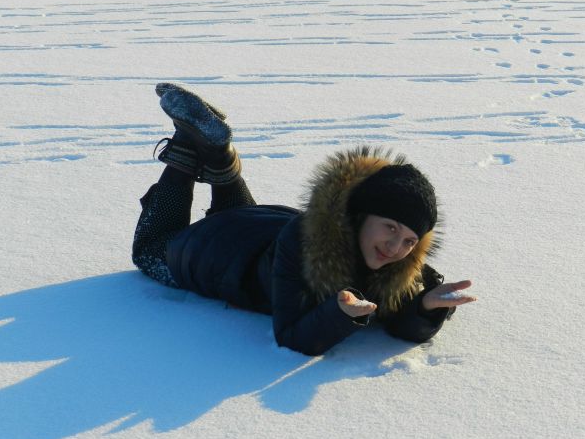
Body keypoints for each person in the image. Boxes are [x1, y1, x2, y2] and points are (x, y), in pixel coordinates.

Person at [132, 83, 476, 356]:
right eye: (390, 227)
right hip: (213, 252)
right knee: (149, 251)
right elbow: (292, 337)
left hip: (256, 227)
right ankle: (182, 152)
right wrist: (340, 315)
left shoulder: (401, 262)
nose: (395, 246)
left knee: (233, 217)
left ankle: (217, 150)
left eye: (409, 240)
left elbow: (400, 320)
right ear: (361, 215)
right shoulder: (305, 246)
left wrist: (427, 307)